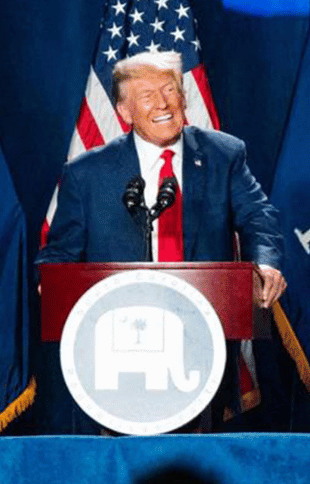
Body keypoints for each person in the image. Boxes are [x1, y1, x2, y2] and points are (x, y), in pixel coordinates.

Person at [36, 51, 286, 307]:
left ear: (184, 98)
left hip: (210, 315)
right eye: (147, 96)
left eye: (169, 90)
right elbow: (61, 252)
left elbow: (258, 218)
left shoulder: (222, 155)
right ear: (125, 112)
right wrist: (53, 279)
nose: (162, 104)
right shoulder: (86, 174)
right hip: (121, 322)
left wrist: (264, 265)